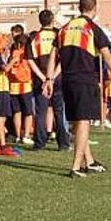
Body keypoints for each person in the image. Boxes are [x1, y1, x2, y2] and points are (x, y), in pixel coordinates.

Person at [45, 0, 111, 178]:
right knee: (83, 122)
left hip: (67, 80)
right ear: (94, 9)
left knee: (77, 122)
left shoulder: (64, 29)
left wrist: (49, 79)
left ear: (79, 7)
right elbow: (108, 58)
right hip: (85, 80)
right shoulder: (92, 28)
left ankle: (89, 161)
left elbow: (53, 56)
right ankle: (75, 166)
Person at [26, 10, 71, 150]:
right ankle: (63, 143)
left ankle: (39, 143)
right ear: (52, 20)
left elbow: (30, 60)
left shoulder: (33, 37)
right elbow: (63, 59)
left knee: (41, 111)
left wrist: (44, 78)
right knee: (59, 110)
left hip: (41, 79)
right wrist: (53, 77)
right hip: (57, 77)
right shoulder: (58, 35)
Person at [7, 26, 34, 145]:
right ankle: (26, 135)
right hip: (25, 84)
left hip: (13, 85)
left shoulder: (13, 52)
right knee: (28, 112)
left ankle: (18, 135)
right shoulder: (26, 52)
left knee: (17, 112)